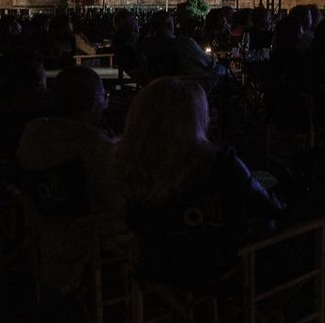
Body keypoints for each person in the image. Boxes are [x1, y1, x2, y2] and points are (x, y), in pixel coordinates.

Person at [116, 77, 292, 286]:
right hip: (223, 271)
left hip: (156, 270)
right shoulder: (220, 165)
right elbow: (267, 208)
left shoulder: (129, 165)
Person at [16, 66, 120, 292]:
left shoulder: (33, 133)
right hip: (87, 238)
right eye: (103, 95)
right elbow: (114, 197)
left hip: (43, 227)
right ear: (94, 101)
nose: (105, 100)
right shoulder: (92, 145)